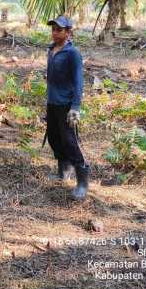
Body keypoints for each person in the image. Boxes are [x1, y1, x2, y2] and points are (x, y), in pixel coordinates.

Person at [45, 15, 89, 200]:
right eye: (53, 29)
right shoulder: (51, 50)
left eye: (59, 30)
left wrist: (76, 107)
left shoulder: (73, 53)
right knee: (54, 139)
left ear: (68, 32)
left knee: (69, 141)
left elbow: (79, 82)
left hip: (66, 105)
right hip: (52, 102)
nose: (55, 33)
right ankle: (64, 170)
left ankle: (82, 182)